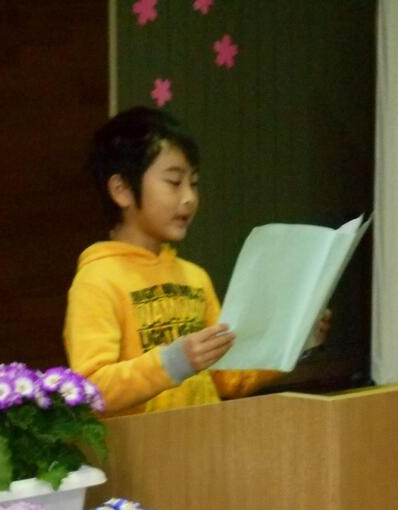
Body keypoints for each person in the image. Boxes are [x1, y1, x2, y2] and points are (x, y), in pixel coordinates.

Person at [64, 106, 328, 416]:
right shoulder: (98, 279)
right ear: (121, 190)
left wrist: (296, 339)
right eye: (174, 182)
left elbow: (229, 378)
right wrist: (173, 362)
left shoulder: (195, 277)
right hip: (143, 446)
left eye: (194, 182)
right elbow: (90, 389)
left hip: (205, 440)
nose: (189, 197)